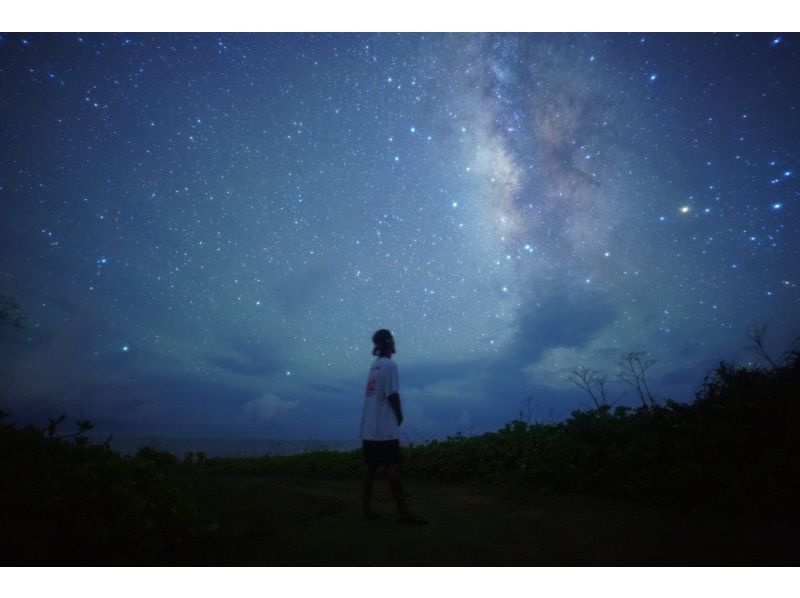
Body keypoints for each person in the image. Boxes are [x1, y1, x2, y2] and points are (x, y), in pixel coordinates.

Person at [360, 329, 427, 524]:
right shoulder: (389, 365)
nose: (395, 343)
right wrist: (399, 414)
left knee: (370, 469)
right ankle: (403, 513)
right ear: (389, 342)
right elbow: (392, 393)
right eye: (393, 340)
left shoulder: (374, 366)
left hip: (370, 428)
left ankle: (365, 510)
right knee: (393, 467)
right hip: (384, 428)